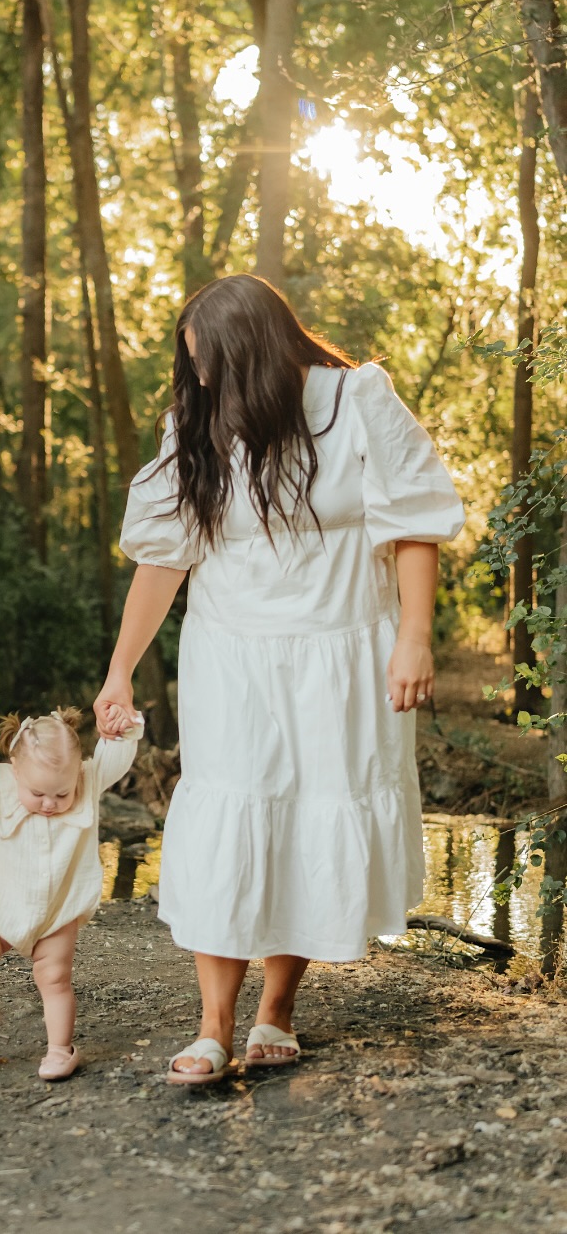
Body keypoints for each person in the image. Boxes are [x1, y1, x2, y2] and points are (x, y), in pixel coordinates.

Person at [93, 274, 464, 1085]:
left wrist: (413, 636)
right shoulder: (193, 423)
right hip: (233, 656)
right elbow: (165, 557)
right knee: (231, 815)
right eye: (191, 364)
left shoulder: (357, 402)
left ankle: (278, 1009)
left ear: (256, 355)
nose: (198, 380)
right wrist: (119, 672)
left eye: (210, 363)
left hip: (343, 653)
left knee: (313, 815)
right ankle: (212, 1025)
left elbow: (414, 525)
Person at [0, 706, 144, 1079]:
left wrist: (122, 731)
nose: (50, 803)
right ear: (15, 770)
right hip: (0, 903)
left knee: (54, 978)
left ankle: (60, 1050)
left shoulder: (88, 780)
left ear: (78, 773)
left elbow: (115, 759)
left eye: (62, 794)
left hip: (57, 912)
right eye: (38, 793)